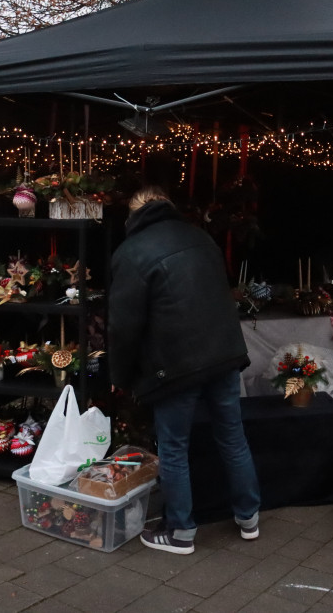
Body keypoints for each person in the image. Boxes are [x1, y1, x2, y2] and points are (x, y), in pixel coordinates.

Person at [108, 186, 260, 555]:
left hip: (174, 364)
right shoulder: (201, 237)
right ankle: (249, 517)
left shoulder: (131, 252)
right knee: (232, 437)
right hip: (223, 354)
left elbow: (123, 325)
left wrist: (120, 376)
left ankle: (180, 531)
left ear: (133, 215)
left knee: (174, 447)